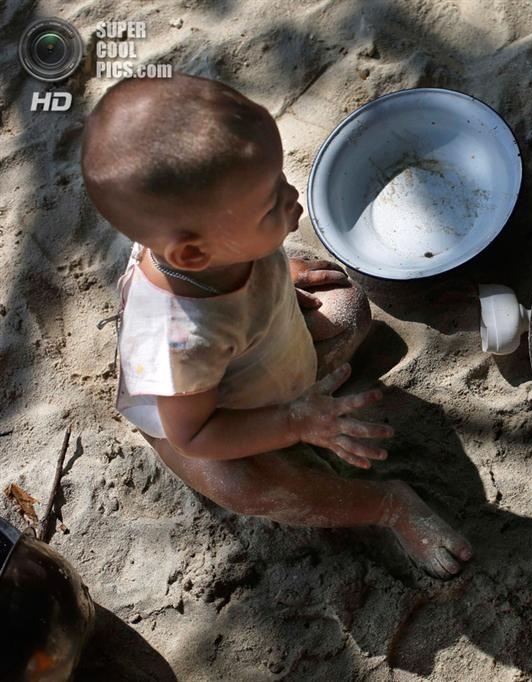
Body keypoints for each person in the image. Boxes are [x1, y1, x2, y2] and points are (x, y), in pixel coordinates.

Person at [80, 74, 472, 578]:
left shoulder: (214, 242)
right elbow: (194, 434)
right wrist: (294, 422)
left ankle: (304, 395)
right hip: (217, 417)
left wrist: (285, 274)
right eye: (272, 204)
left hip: (264, 357)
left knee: (349, 306)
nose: (293, 199)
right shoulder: (178, 340)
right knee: (243, 486)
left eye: (282, 180)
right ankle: (388, 506)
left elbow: (255, 260)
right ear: (193, 254)